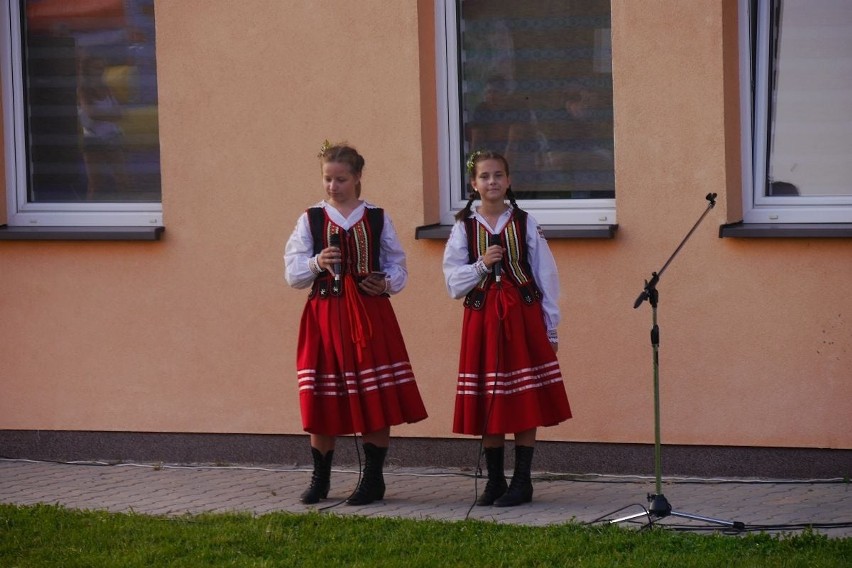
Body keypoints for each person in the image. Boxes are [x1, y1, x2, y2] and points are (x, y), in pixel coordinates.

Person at [284, 142, 428, 506]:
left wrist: (386, 282)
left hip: (369, 313)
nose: (333, 186)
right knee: (322, 395)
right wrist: (317, 262)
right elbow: (292, 273)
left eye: (341, 179)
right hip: (324, 314)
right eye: (328, 179)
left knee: (373, 393)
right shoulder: (311, 219)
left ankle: (373, 479)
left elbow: (398, 264)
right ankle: (320, 479)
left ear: (358, 177)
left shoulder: (377, 217)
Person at [442, 150, 572, 507]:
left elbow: (547, 275)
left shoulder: (525, 222)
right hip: (483, 319)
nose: (492, 182)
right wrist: (482, 265)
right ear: (474, 184)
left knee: (523, 395)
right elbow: (453, 283)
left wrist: (551, 327)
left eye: (498, 175)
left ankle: (522, 480)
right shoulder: (464, 228)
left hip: (523, 317)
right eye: (485, 177)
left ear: (509, 181)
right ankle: (495, 480)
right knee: (490, 395)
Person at [77, 55, 128, 200]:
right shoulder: (83, 90)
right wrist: (110, 115)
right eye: (97, 68)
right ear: (87, 70)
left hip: (111, 137)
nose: (100, 71)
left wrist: (103, 115)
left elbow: (119, 113)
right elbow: (90, 113)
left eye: (102, 68)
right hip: (93, 139)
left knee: (123, 180)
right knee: (95, 184)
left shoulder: (107, 88)